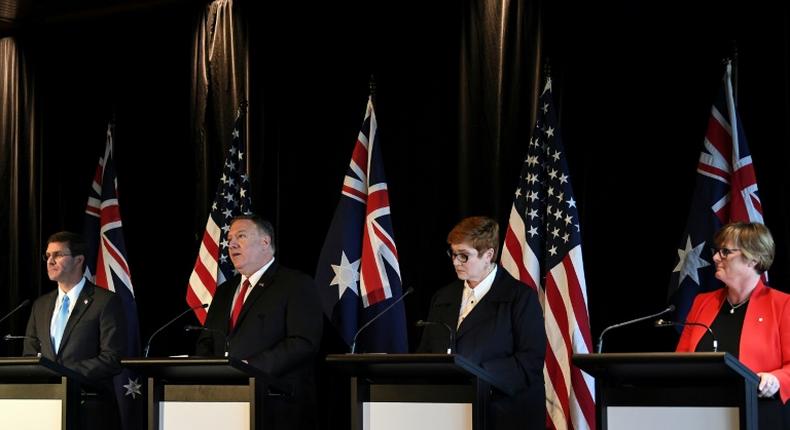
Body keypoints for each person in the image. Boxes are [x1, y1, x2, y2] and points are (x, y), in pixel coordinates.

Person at [417, 216, 546, 429]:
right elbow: (426, 352)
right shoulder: (443, 297)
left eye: (464, 256)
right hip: (446, 413)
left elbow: (529, 361)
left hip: (503, 414)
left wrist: (475, 374)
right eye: (453, 253)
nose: (455, 262)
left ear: (488, 255)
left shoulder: (520, 297)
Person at [195, 214, 323, 430]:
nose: (231, 243)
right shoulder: (224, 291)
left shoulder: (295, 284)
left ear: (265, 242)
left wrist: (250, 367)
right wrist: (210, 372)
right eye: (229, 238)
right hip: (223, 402)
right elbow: (206, 340)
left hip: (277, 405)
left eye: (241, 236)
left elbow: (303, 342)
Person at [676, 222, 790, 428]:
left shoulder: (783, 305)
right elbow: (680, 361)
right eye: (717, 251)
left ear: (753, 258)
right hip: (700, 416)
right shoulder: (702, 302)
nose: (715, 258)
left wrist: (776, 379)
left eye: (725, 252)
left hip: (759, 416)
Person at [24, 231, 126, 429]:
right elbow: (29, 353)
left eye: (58, 255)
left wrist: (61, 373)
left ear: (79, 260)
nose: (50, 261)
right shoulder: (41, 305)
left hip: (89, 410)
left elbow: (112, 358)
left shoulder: (105, 302)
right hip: (45, 408)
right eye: (48, 255)